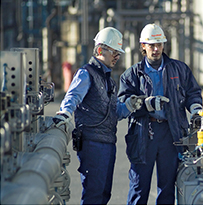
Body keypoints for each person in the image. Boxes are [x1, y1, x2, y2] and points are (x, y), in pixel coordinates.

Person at [52, 27, 144, 204]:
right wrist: (64, 113)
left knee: (104, 194)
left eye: (118, 53)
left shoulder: (108, 79)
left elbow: (114, 112)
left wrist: (130, 106)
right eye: (114, 52)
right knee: (94, 194)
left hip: (108, 143)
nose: (117, 57)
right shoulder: (86, 73)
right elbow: (73, 95)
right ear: (100, 50)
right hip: (92, 142)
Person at [118, 24, 203, 204]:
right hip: (143, 134)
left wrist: (196, 108)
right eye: (151, 45)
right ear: (143, 46)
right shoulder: (132, 75)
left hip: (171, 134)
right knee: (139, 187)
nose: (156, 49)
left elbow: (192, 93)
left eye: (159, 44)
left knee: (167, 188)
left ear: (164, 45)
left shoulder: (179, 69)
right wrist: (145, 105)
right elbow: (122, 104)